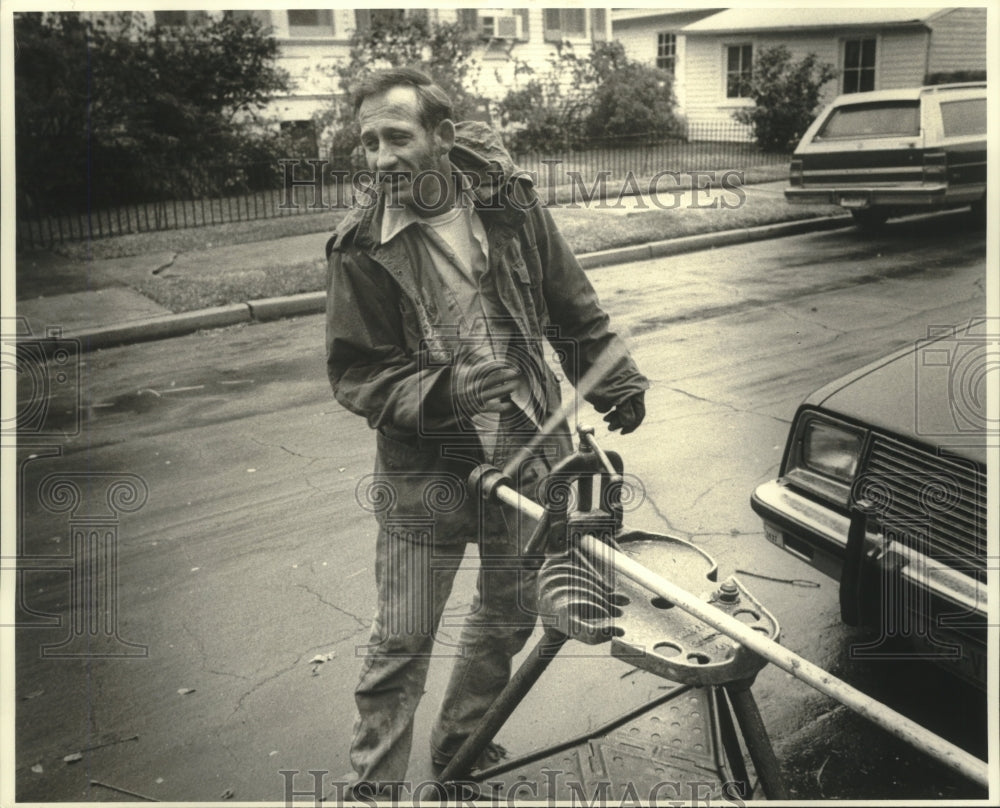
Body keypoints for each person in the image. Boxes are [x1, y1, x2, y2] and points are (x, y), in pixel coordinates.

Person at [324, 67, 649, 789]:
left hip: (532, 442)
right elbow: (356, 374)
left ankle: (462, 749)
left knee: (510, 611)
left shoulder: (509, 203)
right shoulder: (358, 248)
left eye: (396, 137)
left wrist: (614, 374)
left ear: (440, 137)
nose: (379, 159)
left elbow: (569, 300)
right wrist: (445, 390)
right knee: (401, 639)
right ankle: (373, 789)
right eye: (368, 142)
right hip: (425, 467)